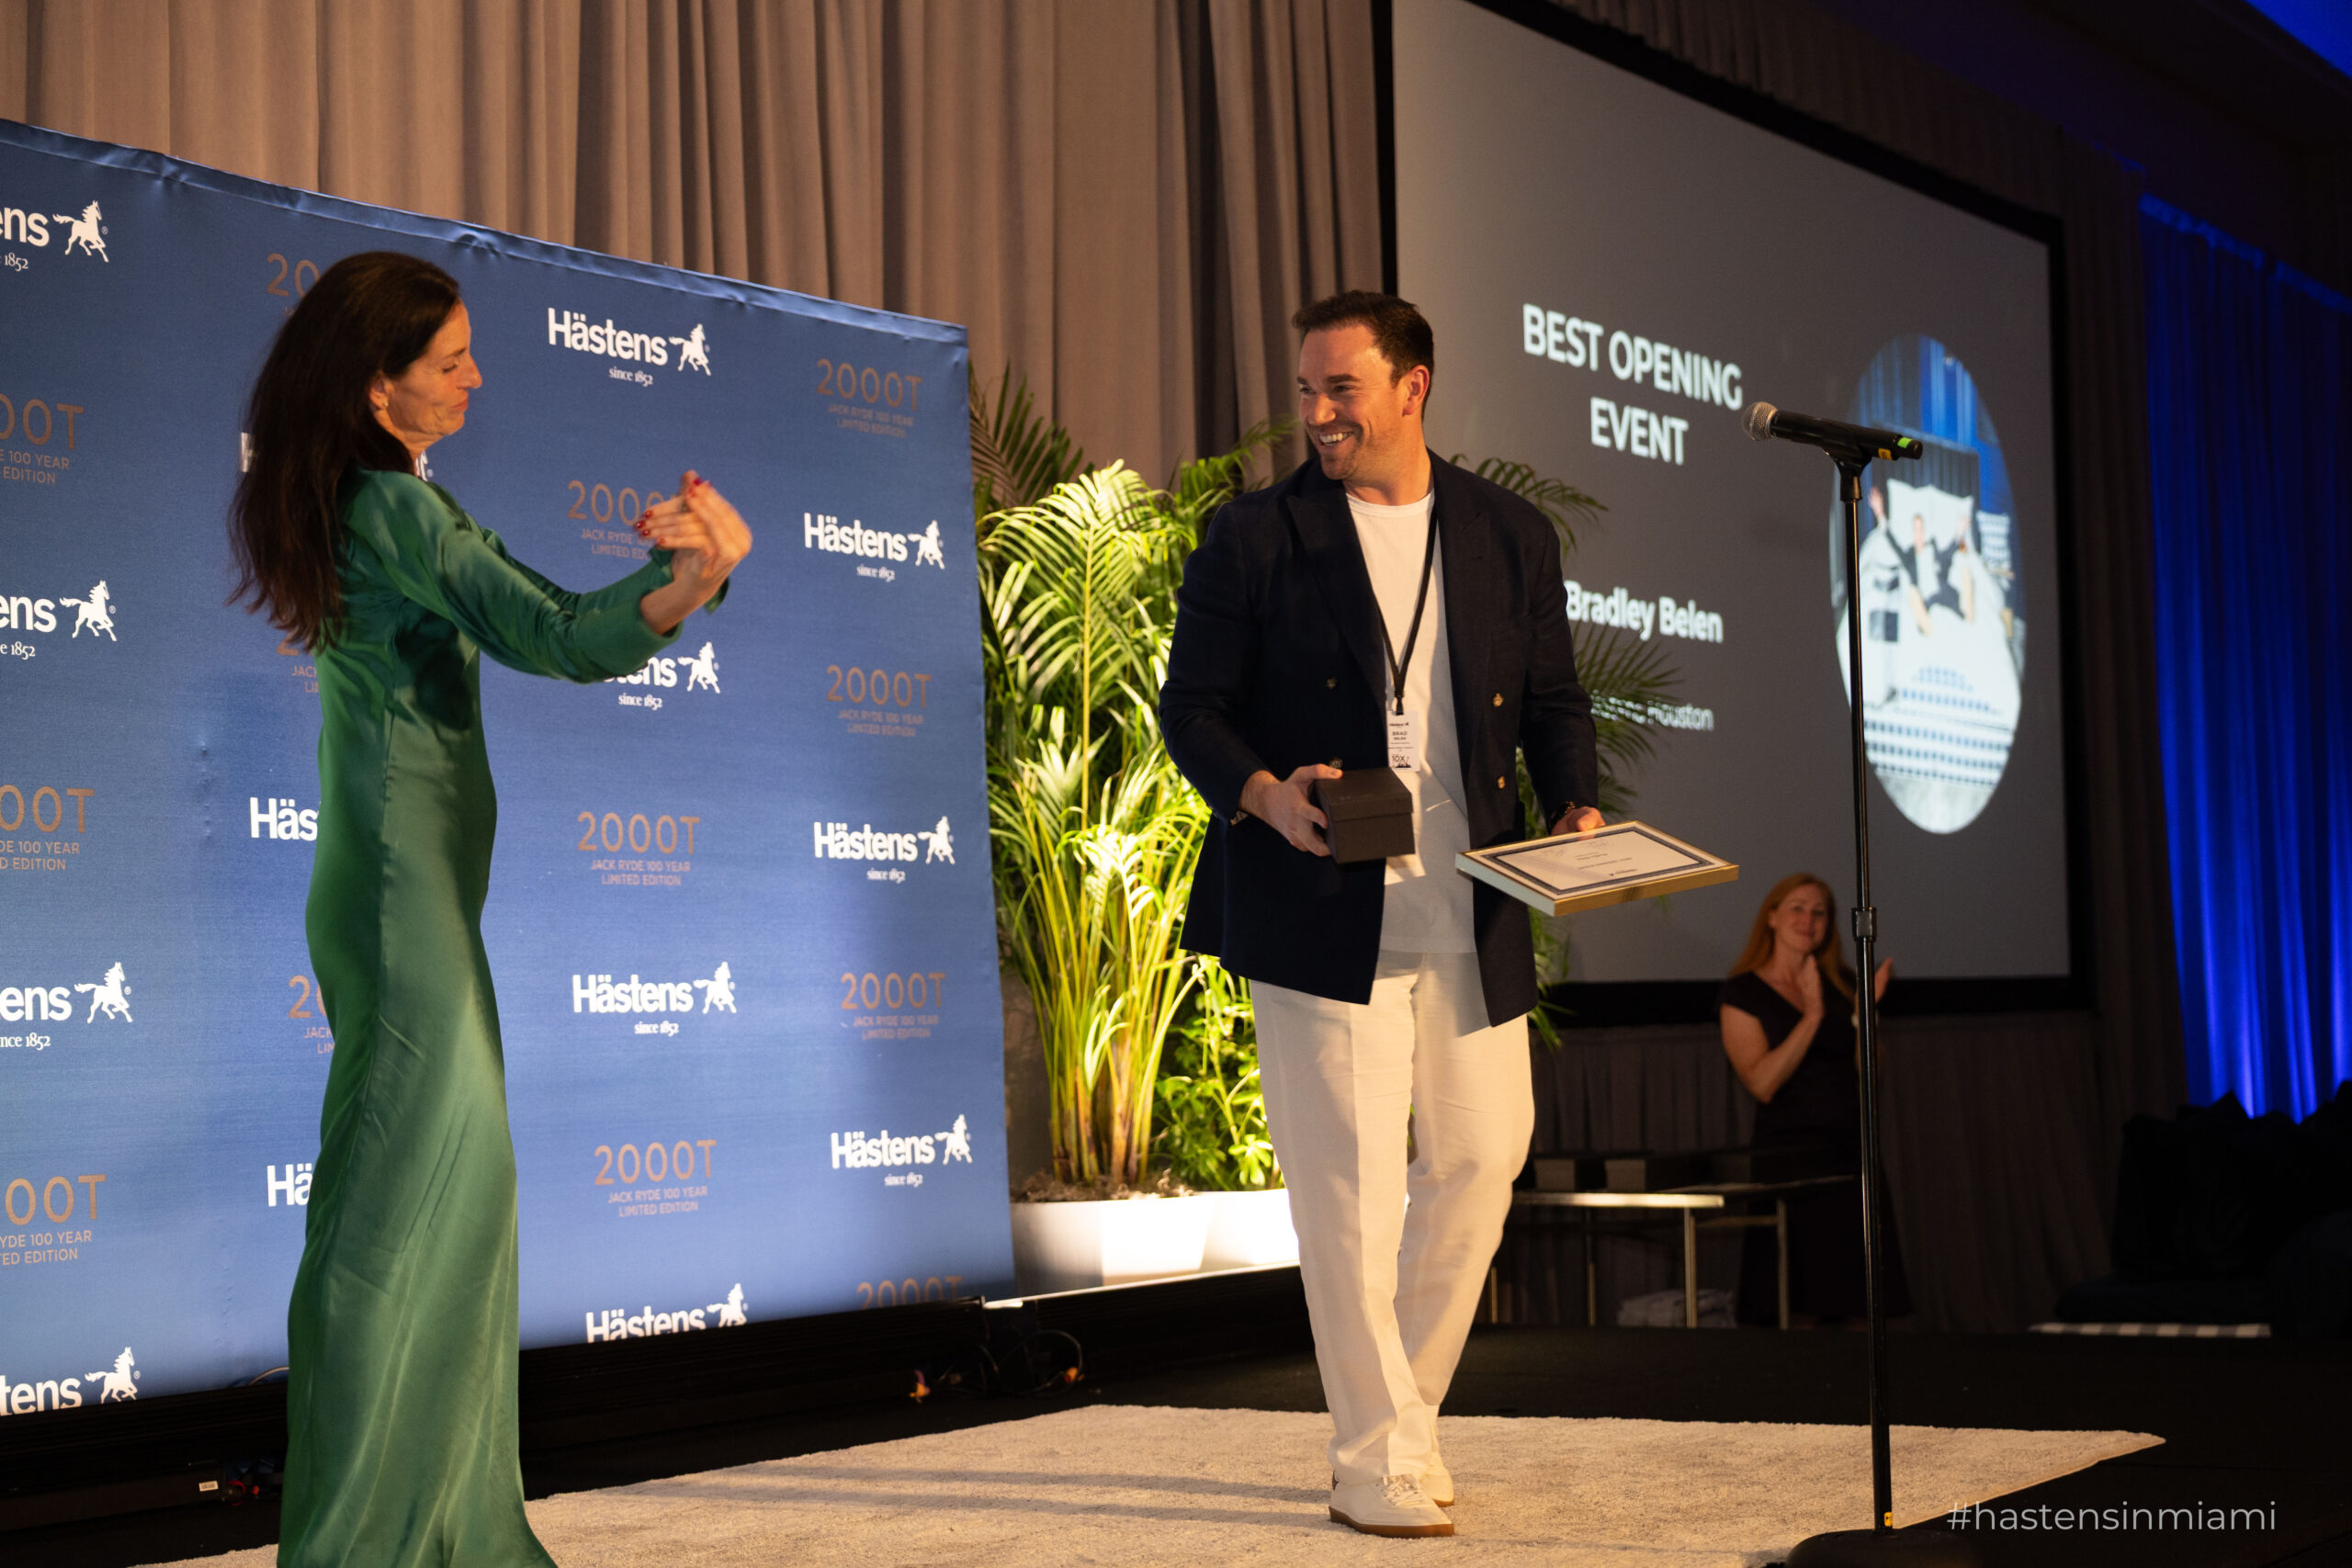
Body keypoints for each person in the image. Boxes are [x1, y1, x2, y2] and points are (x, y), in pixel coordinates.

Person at [229, 252, 751, 1567]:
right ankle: (357, 1542)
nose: (476, 379)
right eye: (451, 362)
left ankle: (438, 1527)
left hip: (408, 887)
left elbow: (554, 617)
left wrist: (684, 579)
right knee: (391, 1221)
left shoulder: (392, 497)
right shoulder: (391, 508)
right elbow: (554, 634)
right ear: (378, 386)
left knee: (445, 1206)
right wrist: (690, 582)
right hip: (398, 896)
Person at [1159, 290, 1600, 1539]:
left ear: (1413, 388)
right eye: (1307, 388)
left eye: (1340, 387)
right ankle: (1373, 1455)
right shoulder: (1257, 534)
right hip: (1319, 899)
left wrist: (1576, 803)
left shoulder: (1508, 532)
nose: (1317, 411)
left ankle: (1404, 1417)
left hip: (1478, 898)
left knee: (1481, 1157)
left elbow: (1557, 699)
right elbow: (1192, 707)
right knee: (1348, 1195)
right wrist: (1264, 792)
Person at [1717, 874, 1911, 1326]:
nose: (1809, 920)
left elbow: (1871, 1077)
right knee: (1798, 1309)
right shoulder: (1742, 994)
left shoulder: (1843, 983)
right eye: (1798, 908)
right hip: (1789, 1166)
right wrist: (1812, 1017)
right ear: (1771, 917)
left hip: (1849, 1158)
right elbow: (1762, 1082)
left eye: (1820, 912)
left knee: (1861, 1309)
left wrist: (1864, 1017)